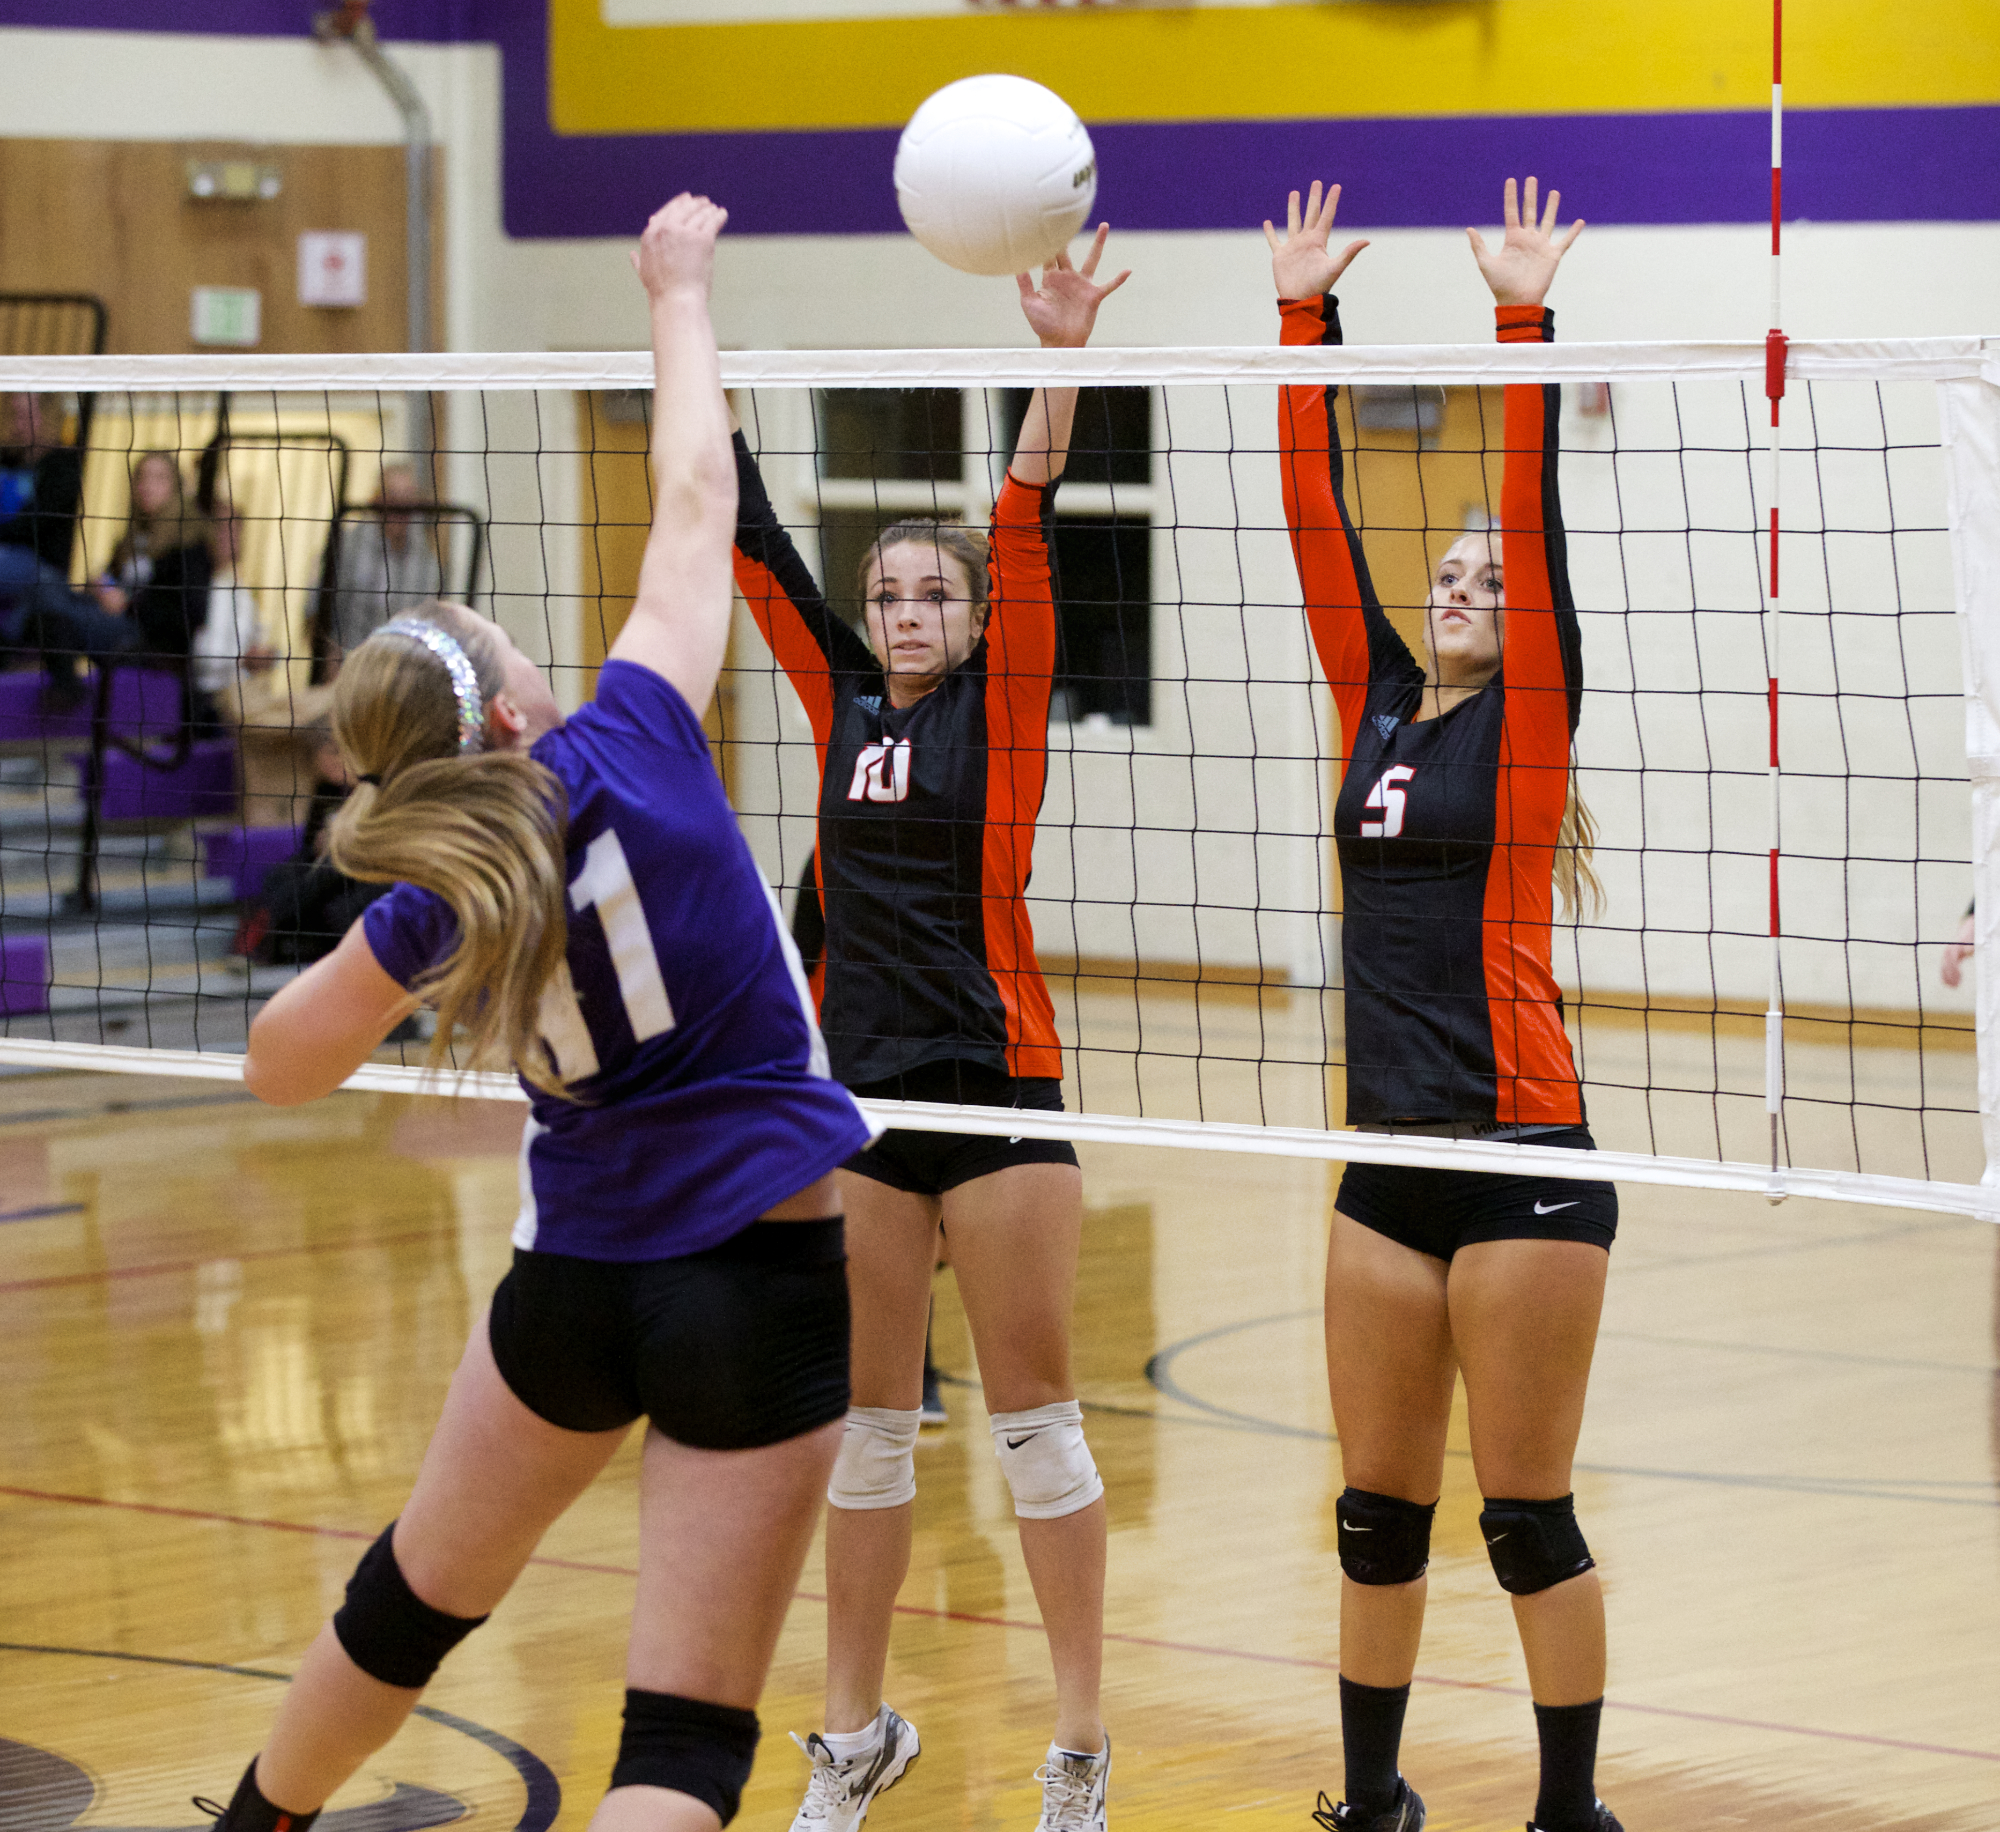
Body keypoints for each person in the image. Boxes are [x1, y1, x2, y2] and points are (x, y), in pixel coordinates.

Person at [195, 194, 875, 1832]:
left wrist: (389, 942)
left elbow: (278, 1065)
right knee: (681, 1746)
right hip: (755, 1277)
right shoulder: (632, 738)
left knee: (406, 1607)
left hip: (568, 1288)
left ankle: (254, 1824)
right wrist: (678, 293)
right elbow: (698, 493)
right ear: (510, 709)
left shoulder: (438, 898)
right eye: (517, 648)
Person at [731, 227, 1129, 1832]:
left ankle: (1080, 1750)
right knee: (867, 1438)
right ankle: (853, 1737)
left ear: (972, 618)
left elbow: (1026, 514)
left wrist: (1059, 359)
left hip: (998, 1092)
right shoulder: (837, 702)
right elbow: (751, 539)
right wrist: (695, 369)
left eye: (932, 594)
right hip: (861, 1106)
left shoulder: (1001, 705)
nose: (905, 613)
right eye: (887, 593)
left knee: (1040, 1436)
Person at [1267, 177, 1622, 1832]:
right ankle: (1373, 1800)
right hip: (1388, 1159)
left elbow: (1532, 520)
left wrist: (1522, 320)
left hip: (1523, 1158)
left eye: (1489, 574)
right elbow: (1315, 521)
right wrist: (1301, 321)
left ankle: (1568, 1813)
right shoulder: (1378, 705)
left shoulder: (1526, 722)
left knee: (1525, 1519)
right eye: (1454, 569)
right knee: (1375, 1515)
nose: (1467, 583)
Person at [326, 462, 447, 660]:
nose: (400, 506)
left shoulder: (427, 561)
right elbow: (316, 613)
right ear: (376, 500)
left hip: (402, 665)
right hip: (349, 662)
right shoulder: (346, 547)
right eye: (392, 496)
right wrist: (329, 660)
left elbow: (433, 622)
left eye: (407, 498)